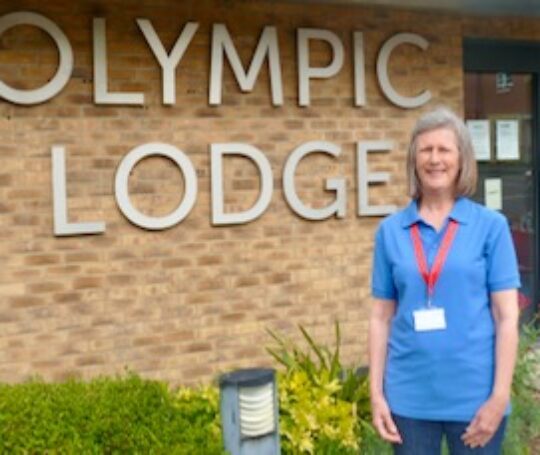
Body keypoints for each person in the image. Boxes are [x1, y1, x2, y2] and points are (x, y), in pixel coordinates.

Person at [369, 106, 520, 454]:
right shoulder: (390, 231)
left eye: (444, 150)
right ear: (414, 159)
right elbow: (380, 317)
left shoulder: (490, 227)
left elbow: (506, 316)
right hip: (408, 400)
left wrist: (499, 396)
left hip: (475, 396)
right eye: (426, 150)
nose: (434, 159)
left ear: (461, 158)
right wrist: (377, 395)